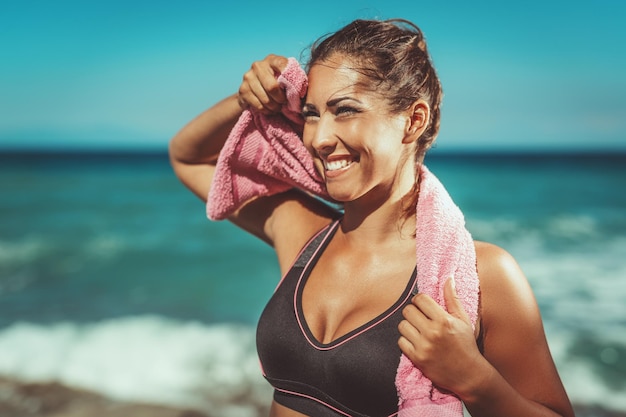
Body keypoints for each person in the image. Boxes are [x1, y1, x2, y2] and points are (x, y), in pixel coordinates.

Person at [169, 18, 574, 417]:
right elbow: (188, 158)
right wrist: (248, 99)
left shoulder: (485, 275)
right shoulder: (304, 234)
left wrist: (477, 381)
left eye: (344, 110)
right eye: (311, 113)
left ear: (414, 120)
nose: (319, 138)